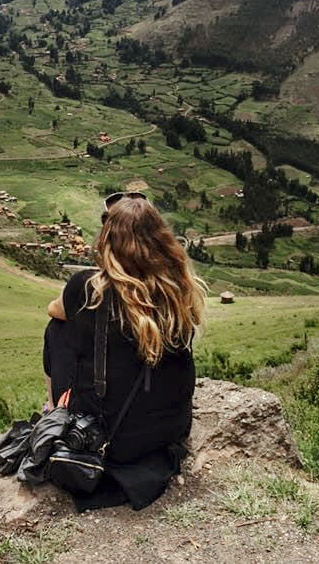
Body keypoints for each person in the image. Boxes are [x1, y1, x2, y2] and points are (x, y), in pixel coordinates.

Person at [43, 191, 207, 510]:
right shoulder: (178, 287)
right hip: (168, 431)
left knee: (56, 330)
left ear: (107, 240)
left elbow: (55, 310)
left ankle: (55, 412)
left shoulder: (88, 288)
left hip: (110, 441)